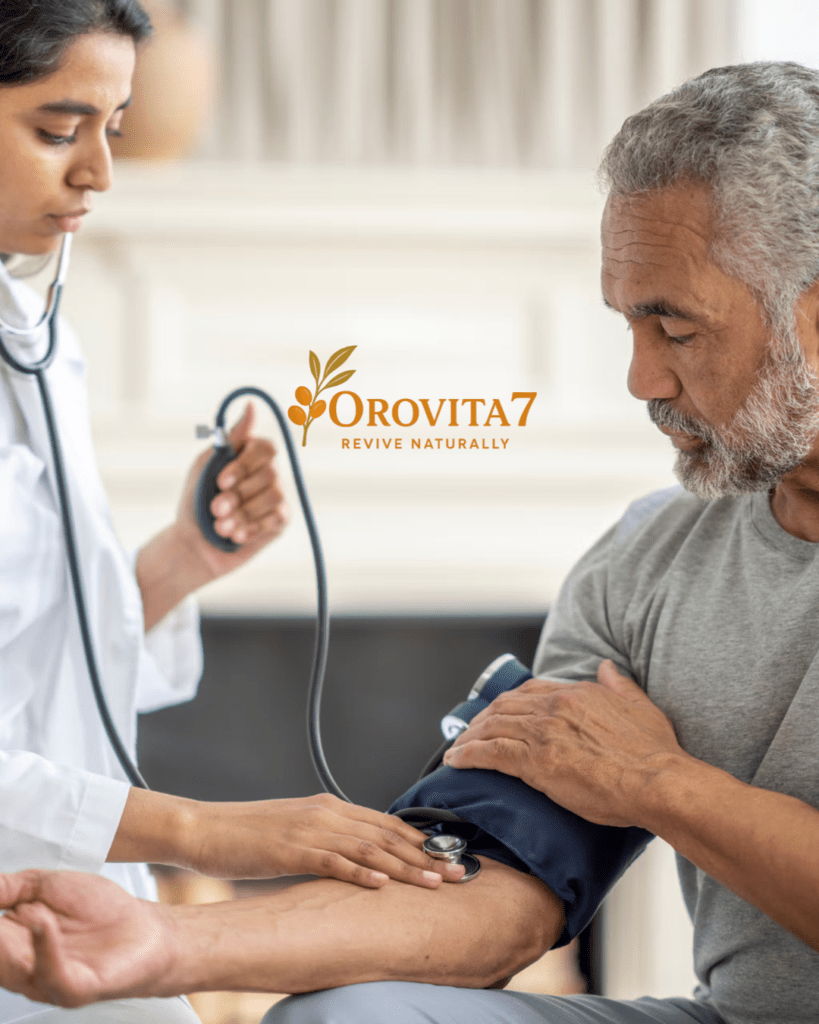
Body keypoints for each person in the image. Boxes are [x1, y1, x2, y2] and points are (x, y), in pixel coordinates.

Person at [2, 55, 819, 1024]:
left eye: (674, 326)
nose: (639, 377)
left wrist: (659, 784)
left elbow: (642, 783)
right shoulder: (644, 563)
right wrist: (166, 942)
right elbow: (494, 894)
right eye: (627, 322)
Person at [0, 3, 463, 1022]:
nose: (98, 175)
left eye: (112, 129)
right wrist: (211, 833)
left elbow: (30, 663)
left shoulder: (32, 333)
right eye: (54, 128)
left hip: (65, 905)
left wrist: (178, 563)